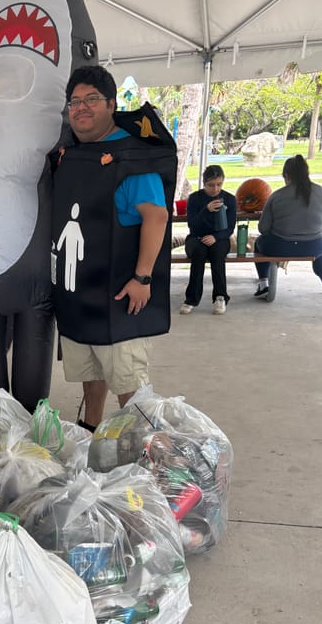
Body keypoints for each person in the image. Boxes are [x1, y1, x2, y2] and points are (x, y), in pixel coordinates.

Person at [50, 66, 175, 430]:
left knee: (128, 382)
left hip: (120, 294)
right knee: (92, 372)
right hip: (79, 295)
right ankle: (92, 429)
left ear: (111, 104)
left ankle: (143, 445)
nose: (81, 108)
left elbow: (156, 217)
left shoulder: (133, 159)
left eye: (91, 99)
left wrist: (143, 277)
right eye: (75, 101)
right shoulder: (71, 154)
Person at [253, 154, 322, 298]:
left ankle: (263, 284)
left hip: (279, 247)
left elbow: (263, 229)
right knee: (320, 253)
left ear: (286, 175)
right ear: (307, 173)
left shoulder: (276, 196)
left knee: (259, 243)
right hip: (314, 246)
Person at [179, 165, 236, 316]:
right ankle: (191, 299)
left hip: (220, 238)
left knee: (217, 254)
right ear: (204, 183)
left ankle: (220, 296)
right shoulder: (195, 198)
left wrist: (215, 237)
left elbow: (230, 228)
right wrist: (206, 210)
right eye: (211, 185)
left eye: (219, 184)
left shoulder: (229, 199)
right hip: (196, 237)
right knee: (199, 253)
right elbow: (192, 225)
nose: (215, 189)